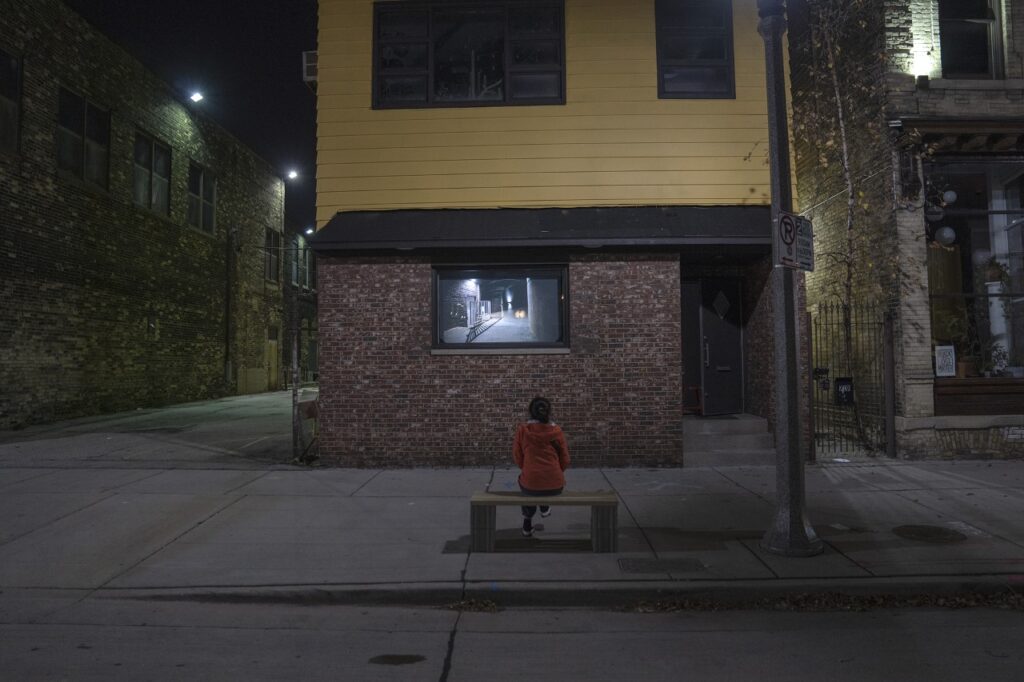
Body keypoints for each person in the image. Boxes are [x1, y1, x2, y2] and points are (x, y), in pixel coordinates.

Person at [513, 396, 570, 537]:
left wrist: (527, 468)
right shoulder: (556, 431)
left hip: (531, 483)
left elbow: (517, 456)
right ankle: (544, 507)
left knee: (528, 484)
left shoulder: (523, 430)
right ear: (548, 411)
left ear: (531, 412)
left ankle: (527, 524)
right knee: (538, 482)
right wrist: (556, 471)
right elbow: (565, 459)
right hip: (555, 484)